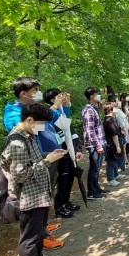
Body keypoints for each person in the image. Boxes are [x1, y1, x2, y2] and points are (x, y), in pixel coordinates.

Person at [1, 103, 67, 256]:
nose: (43, 128)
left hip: (38, 193)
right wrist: (48, 161)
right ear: (30, 120)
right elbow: (20, 174)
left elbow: (34, 160)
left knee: (38, 229)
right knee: (29, 234)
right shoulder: (16, 141)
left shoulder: (28, 135)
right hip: (28, 196)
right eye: (41, 124)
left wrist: (50, 155)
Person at [3, 77, 64, 248]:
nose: (37, 94)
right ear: (23, 93)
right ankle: (40, 236)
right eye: (34, 92)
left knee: (45, 195)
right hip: (32, 166)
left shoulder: (31, 110)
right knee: (34, 205)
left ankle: (43, 227)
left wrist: (56, 108)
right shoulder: (13, 113)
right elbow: (28, 129)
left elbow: (50, 120)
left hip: (43, 159)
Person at [44, 88, 82, 217]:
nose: (62, 97)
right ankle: (59, 207)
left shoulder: (59, 111)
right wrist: (56, 106)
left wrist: (66, 103)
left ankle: (66, 202)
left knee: (70, 176)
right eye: (59, 96)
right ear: (52, 99)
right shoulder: (48, 112)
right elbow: (48, 120)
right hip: (59, 149)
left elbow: (66, 117)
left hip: (68, 147)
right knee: (63, 178)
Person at [81, 87, 108, 200]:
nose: (99, 96)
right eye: (97, 94)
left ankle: (96, 188)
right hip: (94, 145)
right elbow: (90, 130)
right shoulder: (89, 110)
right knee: (94, 168)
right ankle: (92, 192)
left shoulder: (94, 108)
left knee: (97, 169)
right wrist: (98, 146)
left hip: (100, 142)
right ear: (91, 96)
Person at [103, 101, 125, 187]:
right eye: (115, 108)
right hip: (111, 144)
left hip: (112, 143)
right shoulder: (110, 120)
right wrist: (117, 146)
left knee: (115, 160)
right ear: (111, 110)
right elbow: (114, 135)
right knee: (111, 161)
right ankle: (110, 179)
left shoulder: (111, 119)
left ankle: (116, 175)